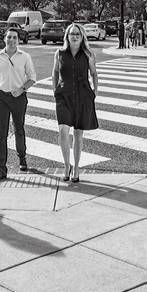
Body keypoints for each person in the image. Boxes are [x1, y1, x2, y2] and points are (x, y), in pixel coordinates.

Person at [0, 29, 36, 181]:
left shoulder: (25, 56)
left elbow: (32, 77)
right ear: (5, 39)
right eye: (9, 37)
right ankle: (2, 168)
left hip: (19, 97)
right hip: (1, 97)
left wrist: (21, 89)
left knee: (18, 129)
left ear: (18, 40)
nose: (11, 40)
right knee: (1, 133)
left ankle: (22, 157)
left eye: (14, 37)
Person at [53, 24, 99, 183]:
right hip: (64, 96)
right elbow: (55, 72)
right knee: (62, 131)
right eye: (71, 34)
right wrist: (55, 89)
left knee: (78, 134)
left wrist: (94, 92)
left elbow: (93, 73)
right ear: (67, 36)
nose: (74, 37)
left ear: (82, 37)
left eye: (77, 34)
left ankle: (77, 167)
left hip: (82, 96)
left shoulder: (88, 54)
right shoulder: (59, 53)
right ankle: (67, 165)